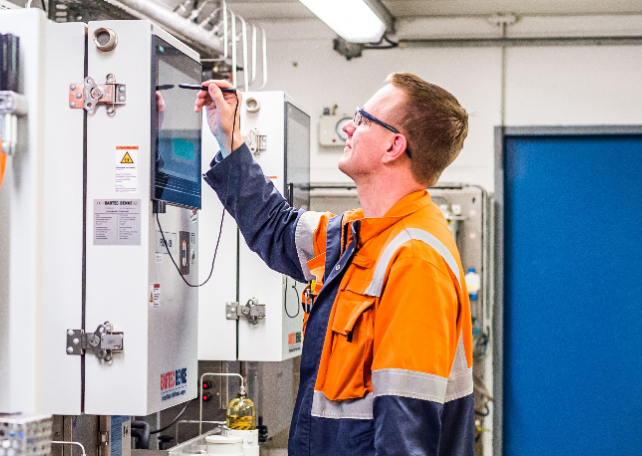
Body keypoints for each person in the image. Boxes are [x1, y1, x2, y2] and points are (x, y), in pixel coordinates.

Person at [195, 73, 473, 456]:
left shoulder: (414, 258)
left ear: (394, 146)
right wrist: (229, 140)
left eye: (362, 120)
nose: (347, 127)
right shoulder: (360, 234)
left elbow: (405, 433)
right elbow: (277, 228)